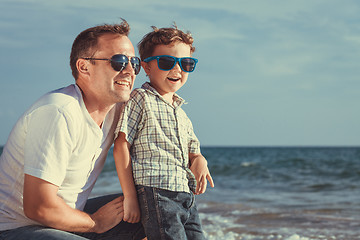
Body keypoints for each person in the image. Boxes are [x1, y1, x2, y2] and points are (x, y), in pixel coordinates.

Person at [0, 19, 145, 240]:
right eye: (118, 61)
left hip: (68, 221)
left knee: (160, 207)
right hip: (17, 229)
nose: (129, 71)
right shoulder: (58, 112)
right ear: (84, 67)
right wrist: (95, 223)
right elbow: (39, 208)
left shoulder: (118, 110)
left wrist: (194, 156)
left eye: (134, 63)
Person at [113, 25, 214, 240]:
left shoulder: (182, 114)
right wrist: (130, 196)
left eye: (186, 64)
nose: (177, 69)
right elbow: (122, 145)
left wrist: (199, 160)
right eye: (168, 62)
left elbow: (193, 152)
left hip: (185, 195)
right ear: (147, 67)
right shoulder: (141, 99)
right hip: (156, 191)